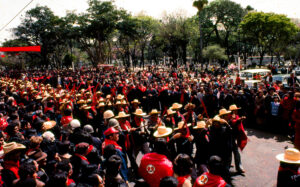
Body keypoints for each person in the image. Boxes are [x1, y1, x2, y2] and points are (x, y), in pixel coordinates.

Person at [228, 105, 247, 173]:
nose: (237, 111)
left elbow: (238, 124)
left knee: (235, 151)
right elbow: (232, 123)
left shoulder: (236, 116)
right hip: (229, 136)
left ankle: (238, 167)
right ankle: (228, 165)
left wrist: (240, 120)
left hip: (234, 136)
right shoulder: (228, 117)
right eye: (235, 110)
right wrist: (238, 120)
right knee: (229, 151)